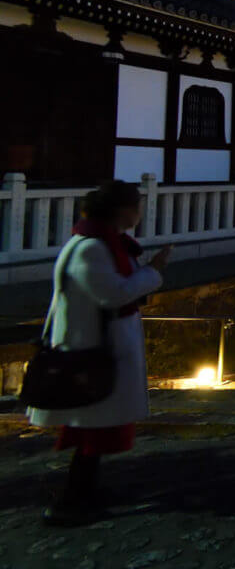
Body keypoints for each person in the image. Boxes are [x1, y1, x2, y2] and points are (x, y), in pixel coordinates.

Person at [29, 181, 172, 526]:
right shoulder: (92, 248)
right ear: (122, 210)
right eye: (137, 205)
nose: (139, 213)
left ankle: (84, 493)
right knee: (91, 432)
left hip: (95, 348)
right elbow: (111, 294)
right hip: (90, 354)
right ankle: (72, 501)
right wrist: (154, 272)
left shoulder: (99, 243)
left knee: (92, 431)